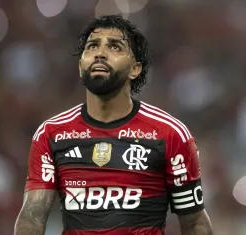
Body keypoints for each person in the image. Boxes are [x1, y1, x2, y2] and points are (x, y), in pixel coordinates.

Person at [14, 14, 213, 235]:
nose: (100, 53)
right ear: (81, 67)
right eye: (92, 46)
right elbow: (32, 217)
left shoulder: (169, 134)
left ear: (135, 69)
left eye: (115, 47)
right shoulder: (51, 134)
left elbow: (195, 222)